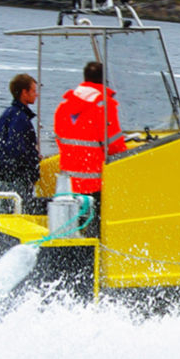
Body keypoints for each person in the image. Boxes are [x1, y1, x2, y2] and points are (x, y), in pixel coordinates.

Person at [53, 61, 128, 236]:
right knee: (95, 229)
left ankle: (70, 260)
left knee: (71, 226)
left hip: (69, 181)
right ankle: (95, 260)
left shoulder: (65, 105)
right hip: (94, 182)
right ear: (104, 79)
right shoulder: (104, 105)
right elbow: (115, 145)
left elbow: (60, 138)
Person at [0, 73, 42, 214]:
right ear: (24, 93)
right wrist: (33, 164)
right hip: (18, 182)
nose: (36, 95)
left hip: (5, 180)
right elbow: (18, 150)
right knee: (20, 214)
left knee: (7, 216)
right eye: (33, 91)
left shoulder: (6, 116)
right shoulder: (21, 119)